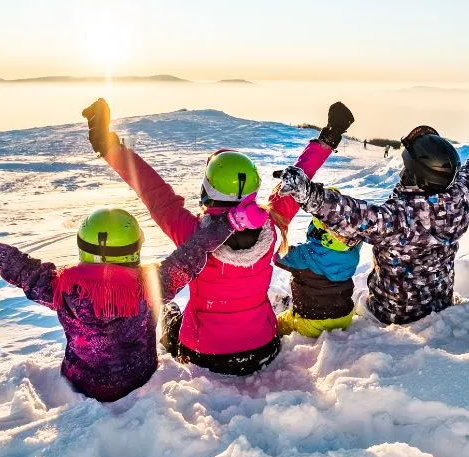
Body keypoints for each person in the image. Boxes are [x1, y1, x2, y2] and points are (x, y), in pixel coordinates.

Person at [83, 98, 354, 375]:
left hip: (204, 354)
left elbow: (153, 191)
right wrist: (329, 136)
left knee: (170, 315)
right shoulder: (272, 223)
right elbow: (299, 178)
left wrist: (109, 147)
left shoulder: (193, 235)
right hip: (263, 347)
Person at [0, 197, 268, 402]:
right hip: (139, 378)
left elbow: (11, 262)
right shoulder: (152, 286)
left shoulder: (59, 287)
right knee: (171, 313)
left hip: (83, 383)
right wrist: (231, 222)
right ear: (134, 249)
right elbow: (193, 252)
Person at [276, 104, 469, 326]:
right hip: (440, 304)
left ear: (416, 175)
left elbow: (351, 215)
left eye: (407, 168)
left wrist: (307, 193)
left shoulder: (399, 219)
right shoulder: (460, 196)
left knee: (356, 304)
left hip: (389, 315)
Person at [274, 188, 362, 338]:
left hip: (311, 322)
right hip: (344, 317)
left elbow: (278, 256)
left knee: (277, 323)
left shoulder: (304, 255)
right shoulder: (351, 252)